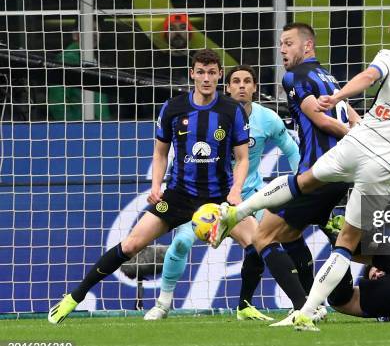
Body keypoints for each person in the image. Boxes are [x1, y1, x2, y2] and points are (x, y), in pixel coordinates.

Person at [212, 9, 390, 330]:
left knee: (299, 188)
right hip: (387, 163)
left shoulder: (388, 58)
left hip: (359, 144)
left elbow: (367, 78)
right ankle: (306, 310)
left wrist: (338, 96)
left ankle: (237, 216)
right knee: (343, 243)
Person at [47, 49, 250, 324]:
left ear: (219, 75)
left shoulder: (231, 110)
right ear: (192, 73)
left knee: (259, 241)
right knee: (131, 245)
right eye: (200, 72)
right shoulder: (173, 108)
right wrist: (156, 186)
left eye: (212, 73)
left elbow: (242, 158)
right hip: (178, 195)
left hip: (218, 198)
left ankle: (301, 307)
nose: (206, 78)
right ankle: (74, 298)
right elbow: (160, 153)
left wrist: (236, 191)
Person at [213, 22, 360, 322]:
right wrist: (357, 137)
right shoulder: (330, 78)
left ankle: (303, 310)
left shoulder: (296, 76)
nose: (282, 49)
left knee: (264, 237)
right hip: (341, 174)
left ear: (307, 46)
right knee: (300, 238)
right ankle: (318, 297)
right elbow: (355, 117)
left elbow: (320, 120)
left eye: (289, 43)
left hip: (318, 175)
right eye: (281, 43)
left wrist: (346, 135)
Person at [143, 65, 301, 321]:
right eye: (236, 81)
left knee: (273, 242)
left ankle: (268, 304)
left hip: (249, 195)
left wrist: (303, 184)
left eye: (247, 81)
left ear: (255, 87)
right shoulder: (218, 114)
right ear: (226, 87)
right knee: (182, 241)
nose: (241, 86)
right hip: (208, 195)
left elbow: (292, 150)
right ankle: (163, 304)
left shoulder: (267, 118)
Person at [48, 25, 112, 121]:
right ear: (75, 35)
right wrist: (73, 128)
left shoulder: (91, 58)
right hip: (81, 129)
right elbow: (57, 101)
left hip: (98, 128)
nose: (94, 33)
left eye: (96, 29)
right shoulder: (69, 58)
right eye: (89, 29)